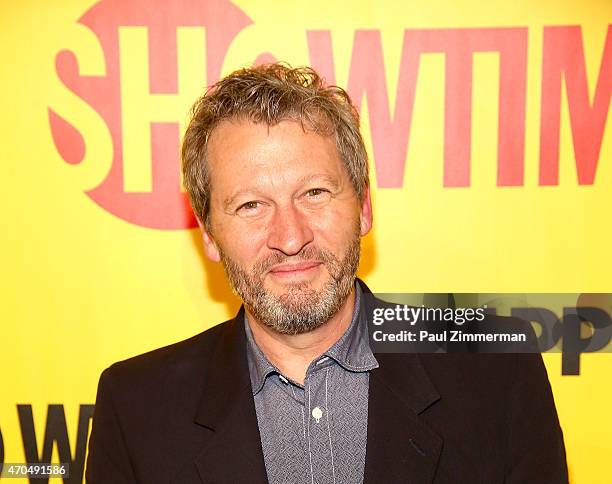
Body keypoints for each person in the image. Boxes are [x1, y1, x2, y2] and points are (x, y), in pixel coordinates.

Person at [85, 63, 568, 483]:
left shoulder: (496, 371)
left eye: (314, 193)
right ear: (209, 234)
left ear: (362, 207)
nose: (291, 237)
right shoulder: (136, 409)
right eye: (251, 205)